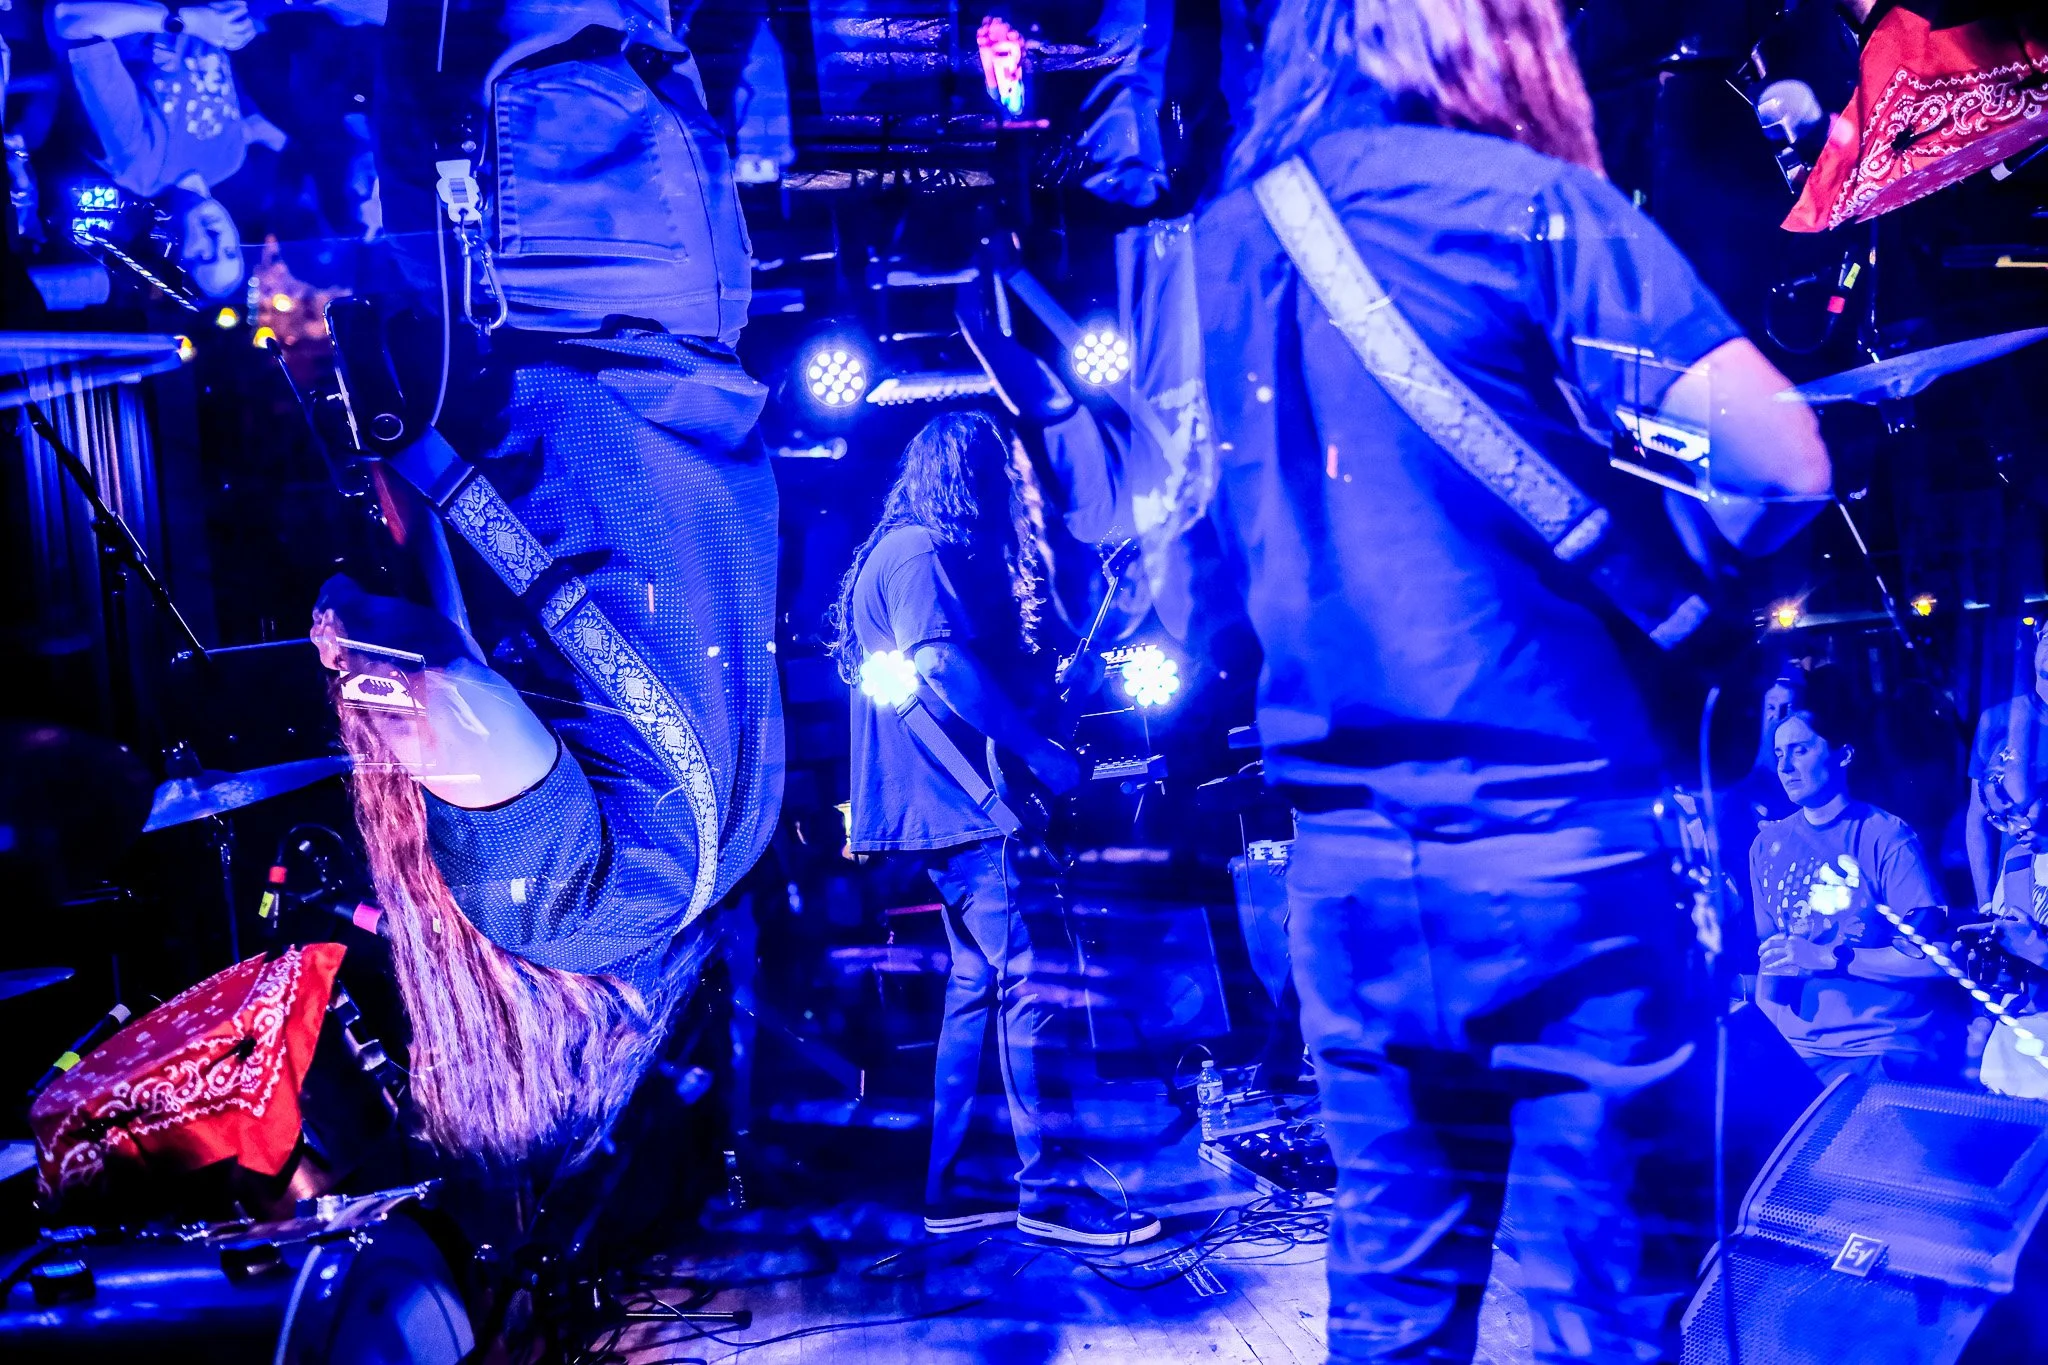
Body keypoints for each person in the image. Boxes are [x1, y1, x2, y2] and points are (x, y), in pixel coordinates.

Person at [1191, 0, 1832, 1359]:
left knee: (1392, 1311)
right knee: (1607, 1312)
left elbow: (1197, 540)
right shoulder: (1528, 206)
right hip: (1561, 860)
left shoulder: (1230, 244)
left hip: (1347, 878)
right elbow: (1781, 465)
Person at [307, 0, 779, 1166]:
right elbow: (433, 688)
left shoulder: (717, 864)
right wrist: (344, 645)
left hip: (675, 306)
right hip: (555, 287)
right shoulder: (567, 916)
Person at [831, 410, 1160, 1249]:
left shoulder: (899, 549)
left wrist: (1067, 691)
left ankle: (956, 1185)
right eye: (1001, 474)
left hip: (951, 810)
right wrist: (1040, 757)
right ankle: (1050, 1192)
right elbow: (941, 665)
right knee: (1033, 987)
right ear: (970, 476)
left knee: (978, 991)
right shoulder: (916, 551)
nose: (1013, 490)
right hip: (969, 809)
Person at [1751, 690, 1966, 1086]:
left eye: (1800, 751)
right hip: (1799, 1051)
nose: (1785, 767)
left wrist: (1830, 957)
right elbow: (1772, 957)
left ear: (1844, 755)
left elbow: (1935, 960)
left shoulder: (1886, 837)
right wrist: (1769, 1040)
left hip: (1878, 1048)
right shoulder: (1767, 845)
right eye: (1779, 754)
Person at [47, 0, 285, 298]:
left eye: (203, 256)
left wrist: (182, 21)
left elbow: (69, 19)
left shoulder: (136, 164)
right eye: (229, 250)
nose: (216, 239)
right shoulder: (230, 157)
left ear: (174, 252)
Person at [1967, 619, 2048, 917]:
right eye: (2047, 636)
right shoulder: (1997, 720)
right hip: (2015, 883)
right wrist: (1986, 903)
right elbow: (1977, 818)